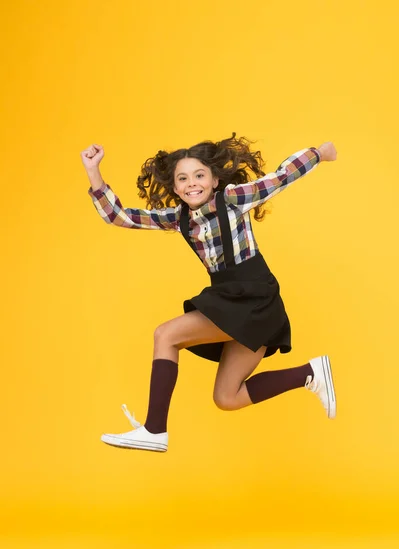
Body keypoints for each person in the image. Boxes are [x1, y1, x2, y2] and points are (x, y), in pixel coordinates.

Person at [80, 132, 337, 452]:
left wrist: (319, 153)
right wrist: (93, 171)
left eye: (199, 175)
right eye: (183, 179)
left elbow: (280, 177)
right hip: (232, 302)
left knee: (165, 335)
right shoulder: (179, 218)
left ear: (214, 180)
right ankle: (309, 373)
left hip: (254, 297)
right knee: (227, 398)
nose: (192, 183)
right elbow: (120, 217)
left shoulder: (232, 198)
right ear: (175, 188)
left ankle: (154, 429)